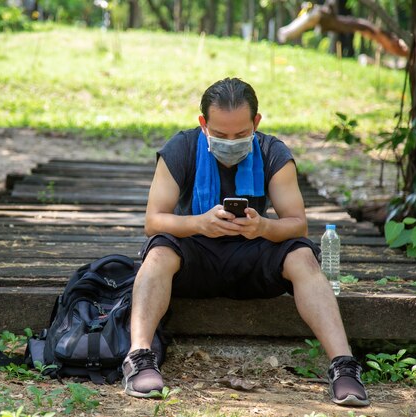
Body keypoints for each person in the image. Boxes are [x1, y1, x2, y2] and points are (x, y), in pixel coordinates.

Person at [121, 77, 370, 407]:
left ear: (256, 123)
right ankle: (139, 356)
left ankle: (344, 366)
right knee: (159, 252)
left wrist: (263, 226)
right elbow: (153, 221)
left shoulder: (271, 152)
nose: (231, 142)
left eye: (240, 135)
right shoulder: (180, 148)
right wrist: (198, 223)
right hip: (195, 256)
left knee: (302, 256)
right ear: (203, 124)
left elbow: (297, 224)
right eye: (220, 135)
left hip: (251, 254)